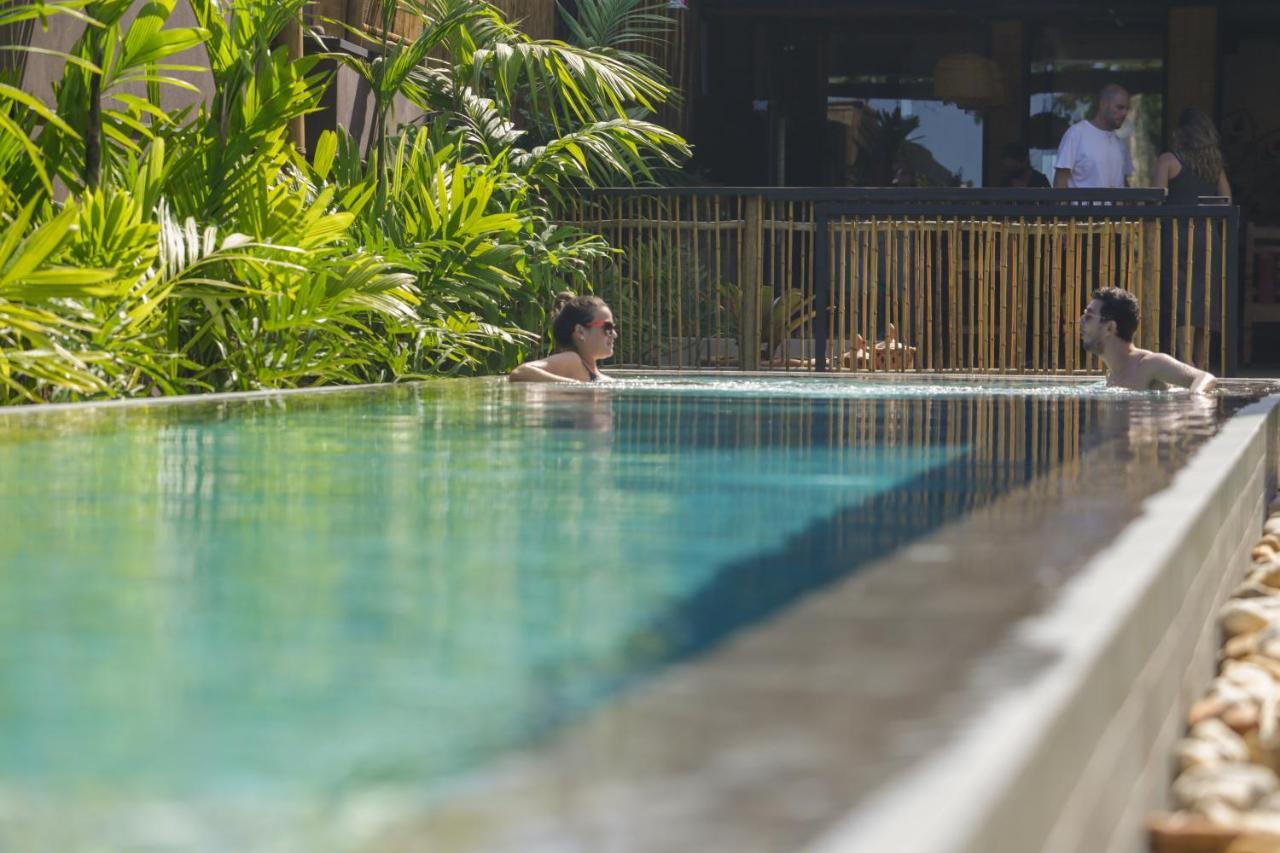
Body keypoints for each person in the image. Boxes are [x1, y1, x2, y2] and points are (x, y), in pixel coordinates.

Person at [1155, 107, 1232, 369]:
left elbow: (1156, 199)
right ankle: (1202, 361)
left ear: (1180, 134)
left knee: (1180, 297)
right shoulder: (1215, 166)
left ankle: (1184, 362)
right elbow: (1227, 202)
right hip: (1207, 237)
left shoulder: (1168, 160)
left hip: (1176, 236)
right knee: (1205, 298)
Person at [1079, 287, 1216, 392]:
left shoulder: (1148, 365)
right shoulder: (1111, 376)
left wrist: (1196, 403)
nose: (1081, 321)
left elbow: (1205, 378)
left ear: (1110, 328)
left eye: (1089, 316)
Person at [509, 292, 617, 383]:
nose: (614, 334)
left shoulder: (595, 374)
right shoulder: (573, 360)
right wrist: (574, 385)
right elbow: (520, 372)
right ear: (580, 332)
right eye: (607, 327)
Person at [1053, 84, 1134, 189]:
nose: (1124, 113)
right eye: (1120, 107)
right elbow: (1060, 183)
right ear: (1103, 104)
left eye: (1127, 109)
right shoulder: (1077, 134)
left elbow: (1123, 183)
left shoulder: (1120, 143)